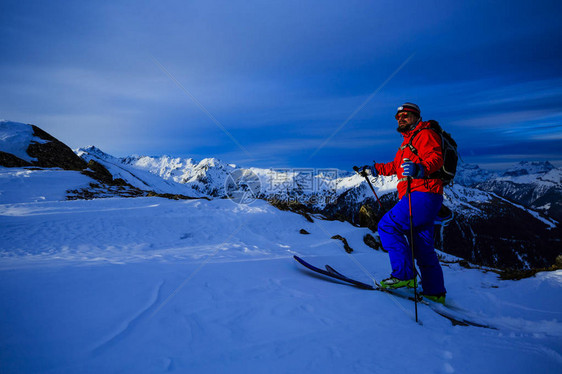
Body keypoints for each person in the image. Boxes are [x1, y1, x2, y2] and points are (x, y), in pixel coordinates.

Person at [356, 102, 446, 303]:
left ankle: (404, 276)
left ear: (416, 117)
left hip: (421, 194)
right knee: (422, 247)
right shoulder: (408, 142)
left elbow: (436, 158)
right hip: (425, 197)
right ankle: (435, 292)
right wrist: (373, 169)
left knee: (387, 225)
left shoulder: (425, 134)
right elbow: (396, 166)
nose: (401, 119)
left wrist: (420, 169)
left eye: (405, 115)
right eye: (398, 117)